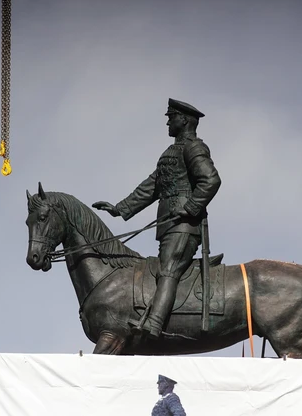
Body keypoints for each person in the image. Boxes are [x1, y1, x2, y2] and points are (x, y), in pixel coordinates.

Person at [93, 98, 222, 339]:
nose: (167, 122)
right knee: (164, 268)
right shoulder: (172, 152)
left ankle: (154, 323)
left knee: (168, 270)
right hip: (169, 226)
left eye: (171, 117)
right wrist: (119, 208)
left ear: (184, 120)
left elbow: (211, 180)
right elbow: (151, 187)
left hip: (184, 225)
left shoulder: (194, 148)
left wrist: (192, 206)